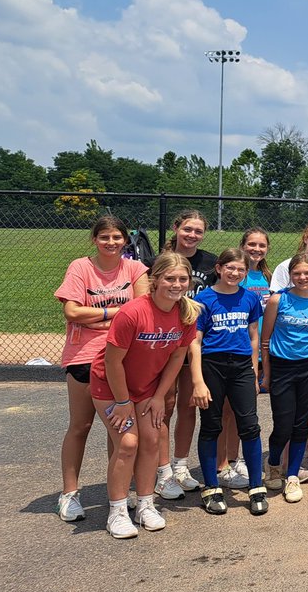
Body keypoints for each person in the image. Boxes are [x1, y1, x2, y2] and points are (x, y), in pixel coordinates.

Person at [90, 253, 199, 538]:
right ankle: (117, 511)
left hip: (148, 389)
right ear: (155, 281)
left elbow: (177, 358)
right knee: (128, 443)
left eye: (182, 279)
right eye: (169, 278)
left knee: (151, 440)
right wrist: (123, 402)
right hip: (110, 387)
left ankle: (146, 505)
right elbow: (112, 363)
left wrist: (159, 396)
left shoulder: (187, 313)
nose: (176, 284)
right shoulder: (133, 312)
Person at [55, 216, 150, 522]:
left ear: (126, 241)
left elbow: (141, 309)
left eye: (117, 237)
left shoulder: (135, 268)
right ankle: (69, 494)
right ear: (94, 239)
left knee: (120, 430)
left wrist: (95, 315)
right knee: (80, 425)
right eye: (105, 237)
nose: (111, 243)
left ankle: (119, 494)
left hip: (123, 358)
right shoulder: (80, 267)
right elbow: (71, 311)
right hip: (85, 355)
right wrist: (114, 313)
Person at [189, 248, 266, 515]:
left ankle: (256, 486)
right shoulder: (204, 299)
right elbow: (195, 342)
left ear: (246, 273)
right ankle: (211, 487)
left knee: (249, 425)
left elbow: (254, 335)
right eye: (230, 268)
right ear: (219, 268)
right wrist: (198, 381)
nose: (235, 273)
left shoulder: (249, 298)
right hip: (213, 365)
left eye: (241, 270)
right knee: (211, 425)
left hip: (242, 365)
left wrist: (255, 371)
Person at [260, 254, 308, 503]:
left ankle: (292, 475)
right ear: (290, 274)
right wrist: (267, 374)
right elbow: (265, 340)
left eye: (307, 273)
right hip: (282, 367)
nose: (302, 278)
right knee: (282, 424)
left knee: (302, 424)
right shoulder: (278, 300)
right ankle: (273, 465)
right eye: (297, 273)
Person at [156, 210, 216, 499]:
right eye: (187, 229)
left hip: (195, 343)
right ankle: (162, 470)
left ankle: (181, 466)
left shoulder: (210, 262)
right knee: (164, 406)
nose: (192, 235)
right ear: (176, 228)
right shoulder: (160, 260)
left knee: (189, 405)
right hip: (165, 344)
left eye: (198, 231)